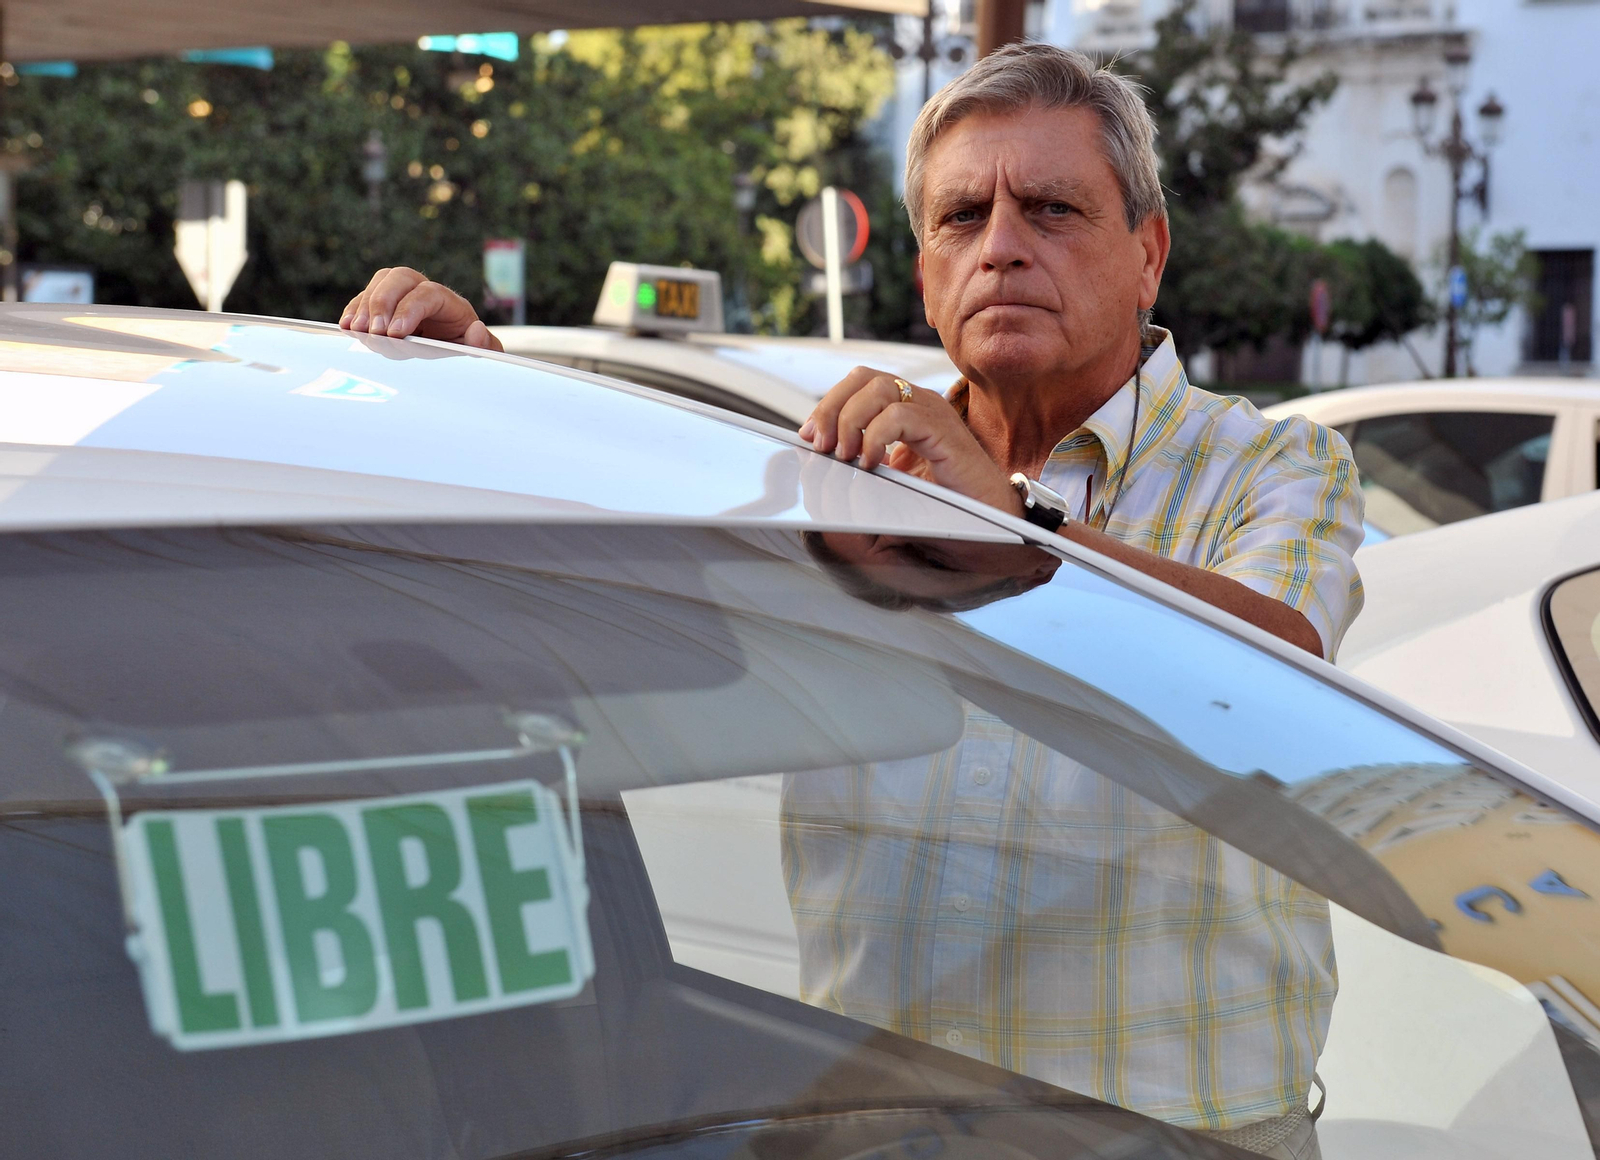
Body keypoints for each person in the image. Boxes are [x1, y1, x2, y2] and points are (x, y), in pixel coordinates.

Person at [340, 43, 1361, 1159]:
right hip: (875, 1127)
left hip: (1172, 1136)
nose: (1002, 247)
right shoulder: (846, 478)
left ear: (1148, 253)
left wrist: (1011, 525)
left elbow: (1275, 675)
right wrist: (476, 402)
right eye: (961, 217)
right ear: (924, 278)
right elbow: (609, 616)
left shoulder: (1273, 467)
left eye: (1053, 209)